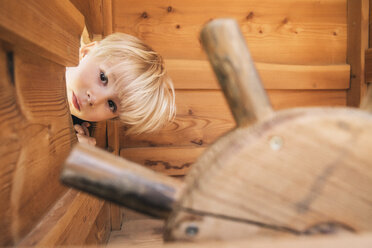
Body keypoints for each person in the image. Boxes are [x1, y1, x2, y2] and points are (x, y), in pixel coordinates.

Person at [65, 33, 176, 145]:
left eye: (111, 104)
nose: (95, 99)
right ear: (87, 52)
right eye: (103, 77)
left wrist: (68, 149)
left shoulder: (77, 130)